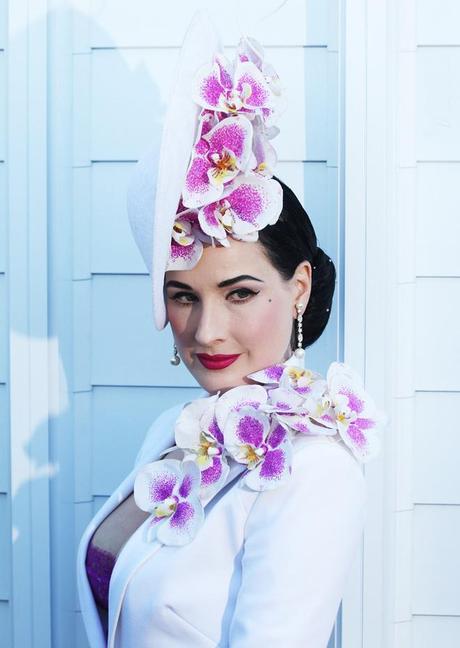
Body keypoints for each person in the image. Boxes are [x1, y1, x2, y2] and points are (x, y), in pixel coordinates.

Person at [76, 11, 386, 648]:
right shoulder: (174, 431)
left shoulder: (314, 469)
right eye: (181, 296)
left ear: (297, 286)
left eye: (240, 292)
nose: (206, 330)